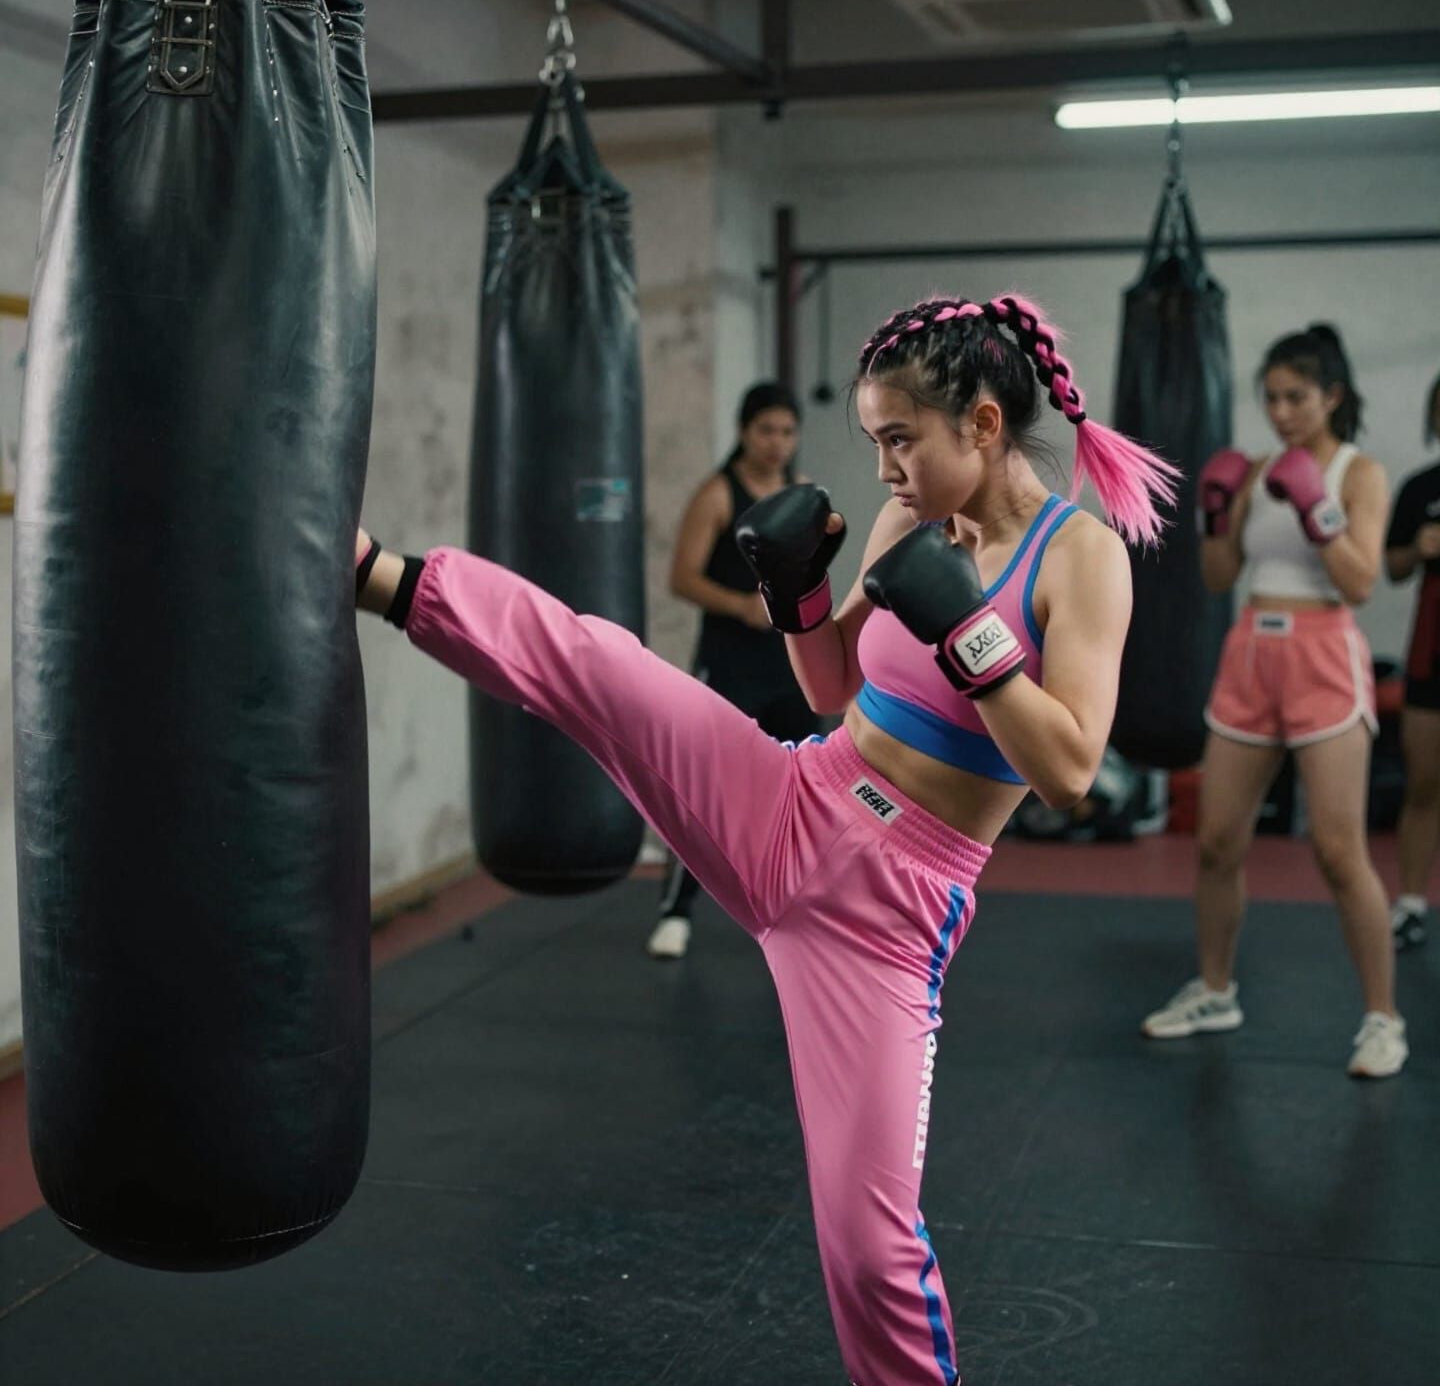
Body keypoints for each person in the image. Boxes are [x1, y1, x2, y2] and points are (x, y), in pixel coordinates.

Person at [354, 293, 1176, 1386]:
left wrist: (973, 635)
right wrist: (796, 598)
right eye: (874, 441)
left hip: (886, 917)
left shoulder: (1082, 558)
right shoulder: (906, 524)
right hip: (794, 800)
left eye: (900, 440)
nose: (882, 468)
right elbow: (834, 689)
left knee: (868, 1243)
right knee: (601, 664)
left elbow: (1071, 771)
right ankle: (372, 571)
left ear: (981, 426)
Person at [1142, 324, 1406, 1078]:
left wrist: (1318, 507)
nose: (1282, 410)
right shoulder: (1252, 470)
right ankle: (1216, 989)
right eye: (1272, 397)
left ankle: (1383, 1019)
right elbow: (1221, 576)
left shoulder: (1359, 473)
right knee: (1219, 840)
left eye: (1297, 396)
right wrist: (1217, 512)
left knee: (1336, 849)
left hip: (1324, 653)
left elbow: (1359, 582)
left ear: (1332, 396)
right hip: (1251, 649)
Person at [646, 383, 821, 960]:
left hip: (788, 662)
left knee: (810, 783)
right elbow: (681, 578)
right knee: (708, 789)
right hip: (728, 662)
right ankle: (675, 910)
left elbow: (808, 573)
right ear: (744, 432)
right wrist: (741, 605)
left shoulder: (800, 493)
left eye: (787, 432)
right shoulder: (718, 494)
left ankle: (807, 909)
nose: (777, 443)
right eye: (767, 430)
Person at [1386, 370, 1440, 950]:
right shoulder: (1422, 488)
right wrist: (1418, 549)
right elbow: (1393, 568)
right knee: (1424, 783)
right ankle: (1410, 903)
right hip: (1432, 649)